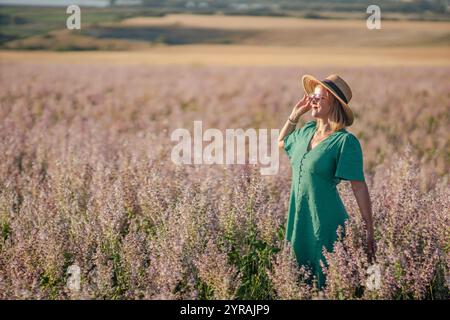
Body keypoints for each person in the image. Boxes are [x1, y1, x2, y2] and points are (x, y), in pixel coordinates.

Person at [278, 74, 375, 289]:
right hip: (300, 218)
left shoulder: (344, 141)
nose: (312, 100)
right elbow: (281, 142)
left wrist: (369, 228)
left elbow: (358, 187)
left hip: (327, 222)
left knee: (328, 283)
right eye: (312, 96)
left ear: (334, 105)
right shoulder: (306, 131)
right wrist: (294, 115)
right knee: (299, 281)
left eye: (319, 98)